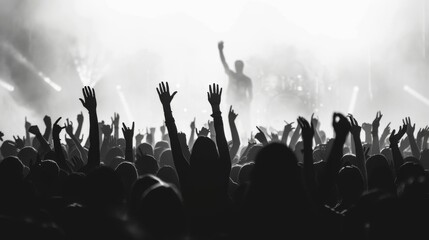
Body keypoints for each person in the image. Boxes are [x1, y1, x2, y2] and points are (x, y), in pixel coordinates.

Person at [218, 41, 253, 135]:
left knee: (245, 124)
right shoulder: (232, 75)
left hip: (242, 105)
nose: (237, 67)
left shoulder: (246, 80)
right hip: (233, 104)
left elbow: (250, 96)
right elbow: (224, 63)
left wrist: (245, 105)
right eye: (236, 66)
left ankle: (248, 140)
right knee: (232, 125)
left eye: (238, 66)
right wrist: (220, 50)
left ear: (241, 67)